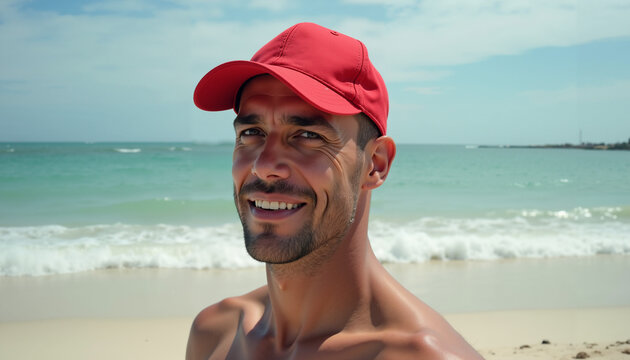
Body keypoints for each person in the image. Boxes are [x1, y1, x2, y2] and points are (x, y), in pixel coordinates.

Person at [187, 22, 482, 359]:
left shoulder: (419, 355)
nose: (264, 164)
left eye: (308, 136)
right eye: (252, 132)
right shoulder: (215, 333)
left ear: (375, 164)